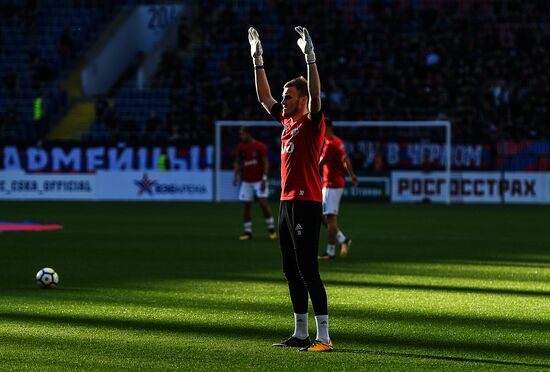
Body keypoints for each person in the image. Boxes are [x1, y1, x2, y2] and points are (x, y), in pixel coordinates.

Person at [248, 26, 333, 352]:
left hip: (307, 202)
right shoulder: (286, 122)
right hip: (285, 201)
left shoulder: (312, 121)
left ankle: (323, 337)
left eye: (289, 97)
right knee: (290, 269)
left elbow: (315, 93)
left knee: (308, 268)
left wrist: (310, 58)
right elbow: (263, 98)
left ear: (303, 100)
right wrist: (258, 61)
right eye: (284, 97)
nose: (282, 100)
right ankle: (300, 332)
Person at [318, 118, 359, 259]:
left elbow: (320, 164)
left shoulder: (330, 145)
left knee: (330, 220)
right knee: (321, 216)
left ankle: (330, 251)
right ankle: (343, 239)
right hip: (333, 184)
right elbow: (346, 160)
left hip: (332, 185)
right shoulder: (338, 141)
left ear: (327, 128)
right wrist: (352, 175)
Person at [233, 126, 277, 240]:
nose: (241, 136)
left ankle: (271, 229)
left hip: (259, 180)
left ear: (248, 134)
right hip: (247, 181)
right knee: (246, 205)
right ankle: (248, 232)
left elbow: (265, 162)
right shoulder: (241, 147)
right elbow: (238, 162)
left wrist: (264, 178)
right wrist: (235, 175)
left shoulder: (260, 146)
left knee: (263, 204)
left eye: (242, 134)